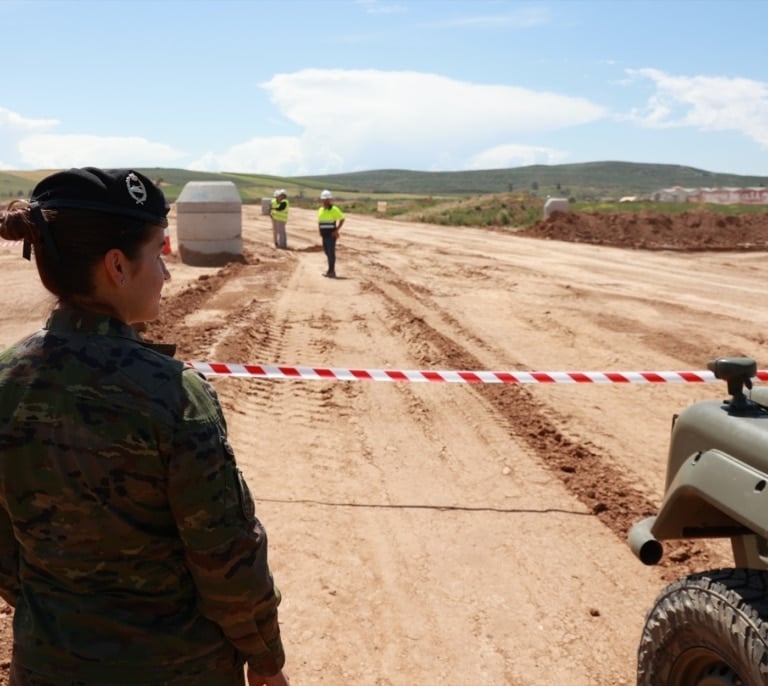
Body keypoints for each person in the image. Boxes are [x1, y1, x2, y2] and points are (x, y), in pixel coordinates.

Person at [0, 167, 289, 686]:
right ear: (117, 266)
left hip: (45, 663)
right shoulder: (172, 393)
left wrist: (56, 613)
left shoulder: (4, 382)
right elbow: (225, 558)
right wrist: (264, 658)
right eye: (158, 252)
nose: (167, 272)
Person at [317, 189, 345, 278]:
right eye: (324, 199)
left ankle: (331, 271)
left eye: (327, 199)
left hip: (331, 235)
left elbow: (342, 218)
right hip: (324, 235)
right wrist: (319, 230)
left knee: (331, 252)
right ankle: (330, 269)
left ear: (330, 199)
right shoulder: (320, 209)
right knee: (326, 252)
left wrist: (337, 230)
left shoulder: (334, 209)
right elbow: (319, 221)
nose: (325, 200)